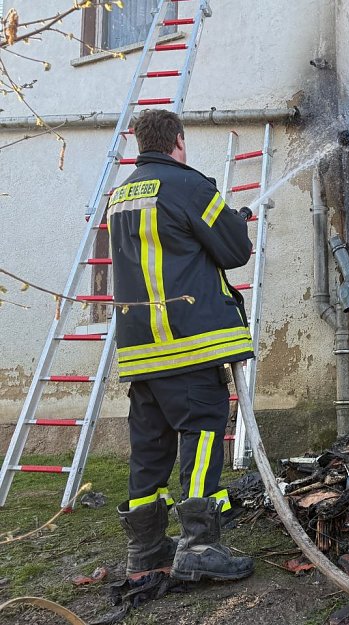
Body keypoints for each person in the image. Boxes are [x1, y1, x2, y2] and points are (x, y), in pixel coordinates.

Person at [108, 109, 254, 582]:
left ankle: (146, 550)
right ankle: (198, 545)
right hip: (189, 343)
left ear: (137, 143)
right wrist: (237, 221)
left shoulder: (120, 197)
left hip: (140, 350)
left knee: (149, 446)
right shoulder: (191, 187)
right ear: (179, 141)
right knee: (204, 431)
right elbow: (233, 250)